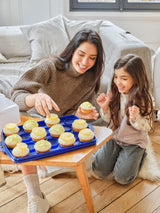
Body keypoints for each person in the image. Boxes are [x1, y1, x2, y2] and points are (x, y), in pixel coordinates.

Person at [10, 28, 104, 213]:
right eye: (81, 54)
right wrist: (35, 99)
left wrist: (81, 116)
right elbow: (16, 94)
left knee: (90, 155)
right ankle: (36, 196)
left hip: (58, 127)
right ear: (72, 51)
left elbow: (72, 117)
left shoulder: (90, 79)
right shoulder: (50, 66)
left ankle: (47, 165)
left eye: (92, 58)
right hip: (34, 119)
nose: (85, 62)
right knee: (22, 144)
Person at [91, 54, 154, 185]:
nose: (118, 82)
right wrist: (105, 108)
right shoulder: (115, 93)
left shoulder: (145, 100)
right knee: (98, 170)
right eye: (116, 77)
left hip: (133, 142)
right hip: (115, 138)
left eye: (123, 78)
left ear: (136, 79)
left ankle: (140, 156)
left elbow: (148, 126)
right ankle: (116, 155)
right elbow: (109, 119)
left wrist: (136, 118)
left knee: (122, 178)